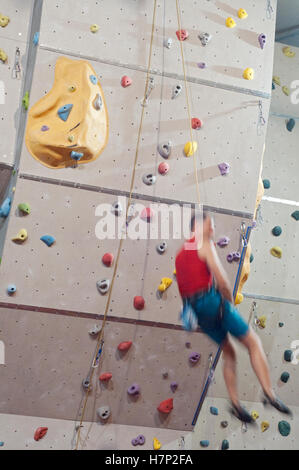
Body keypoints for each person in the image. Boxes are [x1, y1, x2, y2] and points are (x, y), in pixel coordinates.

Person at [175, 211, 291, 422]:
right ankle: (269, 393)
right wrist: (227, 304)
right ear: (198, 226)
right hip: (211, 302)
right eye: (210, 226)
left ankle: (235, 404)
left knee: (229, 352)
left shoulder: (180, 255)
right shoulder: (204, 243)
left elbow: (183, 291)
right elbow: (222, 281)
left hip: (197, 311)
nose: (212, 230)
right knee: (253, 343)